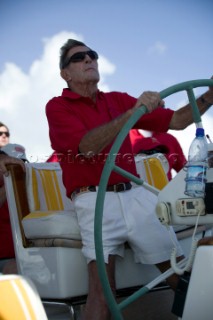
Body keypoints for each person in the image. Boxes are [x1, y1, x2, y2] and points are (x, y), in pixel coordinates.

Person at [45, 39, 213, 320]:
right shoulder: (58, 107)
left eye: (92, 55)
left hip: (135, 195)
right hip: (92, 198)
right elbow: (87, 147)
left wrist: (208, 96)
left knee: (182, 276)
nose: (89, 60)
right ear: (66, 73)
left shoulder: (118, 100)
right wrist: (133, 113)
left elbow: (178, 121)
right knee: (101, 292)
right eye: (78, 58)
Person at [0, 122, 27, 274]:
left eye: (22, 164)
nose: (19, 169)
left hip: (26, 257)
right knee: (17, 269)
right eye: (11, 165)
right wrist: (9, 185)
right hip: (7, 261)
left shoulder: (31, 188)